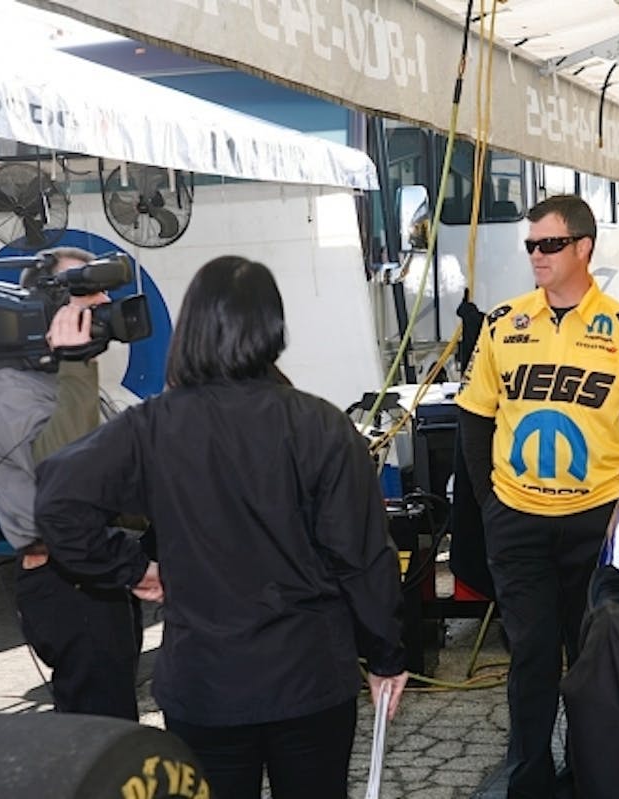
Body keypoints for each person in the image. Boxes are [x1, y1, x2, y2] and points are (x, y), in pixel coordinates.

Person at [33, 256, 409, 799]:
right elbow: (362, 556)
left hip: (204, 686)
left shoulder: (152, 426)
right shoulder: (323, 426)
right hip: (309, 680)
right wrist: (386, 656)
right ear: (273, 328)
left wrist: (132, 569)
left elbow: (58, 499)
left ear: (191, 329)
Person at [456, 195, 619, 798]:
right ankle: (526, 780)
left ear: (583, 248)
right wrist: (490, 502)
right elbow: (474, 418)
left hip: (594, 525)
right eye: (530, 244)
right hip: (518, 522)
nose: (536, 255)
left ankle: (592, 774)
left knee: (590, 660)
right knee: (531, 656)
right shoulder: (503, 324)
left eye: (549, 244)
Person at [0, 245, 151, 721]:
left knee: (115, 715)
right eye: (80, 292)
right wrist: (77, 365)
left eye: (98, 292)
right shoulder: (9, 389)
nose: (95, 304)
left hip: (101, 571)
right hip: (63, 583)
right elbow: (66, 467)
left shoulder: (76, 380)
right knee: (98, 723)